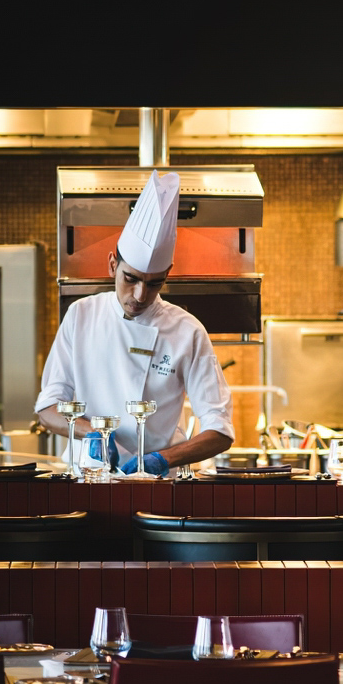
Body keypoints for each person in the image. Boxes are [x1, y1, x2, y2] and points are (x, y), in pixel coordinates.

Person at [35, 170, 234, 477]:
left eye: (155, 283)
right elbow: (48, 408)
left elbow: (219, 429)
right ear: (112, 264)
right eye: (131, 279)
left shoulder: (188, 331)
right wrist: (91, 434)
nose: (141, 295)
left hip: (158, 483)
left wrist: (165, 459)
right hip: (89, 477)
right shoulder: (81, 316)